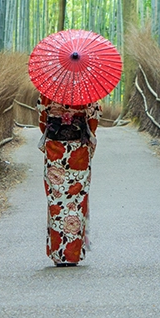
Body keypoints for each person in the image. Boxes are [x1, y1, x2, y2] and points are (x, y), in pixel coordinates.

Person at [38, 97, 101, 267]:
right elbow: (93, 118)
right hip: (78, 150)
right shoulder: (87, 90)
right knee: (77, 200)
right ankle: (73, 254)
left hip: (55, 150)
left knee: (56, 200)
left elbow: (42, 119)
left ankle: (58, 254)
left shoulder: (49, 89)